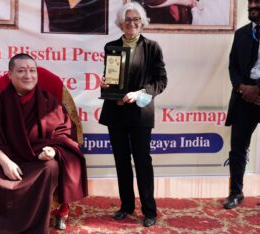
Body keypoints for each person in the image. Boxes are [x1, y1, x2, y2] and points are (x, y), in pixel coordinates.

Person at [0, 53, 88, 233]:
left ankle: (31, 227)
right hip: (3, 158)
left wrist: (52, 150)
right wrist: (5, 163)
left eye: (32, 70)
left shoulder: (49, 102)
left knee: (50, 167)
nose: (28, 75)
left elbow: (64, 134)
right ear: (10, 75)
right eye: (21, 71)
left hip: (36, 160)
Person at [99, 2, 167, 227]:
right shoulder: (111, 47)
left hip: (140, 114)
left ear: (143, 21)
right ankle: (126, 206)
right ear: (120, 23)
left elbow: (161, 81)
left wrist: (139, 94)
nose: (132, 23)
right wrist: (106, 86)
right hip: (116, 112)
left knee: (142, 162)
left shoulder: (152, 47)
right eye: (127, 19)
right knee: (121, 161)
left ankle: (149, 210)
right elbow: (111, 78)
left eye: (136, 18)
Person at [224, 0, 260, 209]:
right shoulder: (241, 33)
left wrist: (258, 88)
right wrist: (242, 88)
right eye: (250, 2)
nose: (253, 6)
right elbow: (233, 65)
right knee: (238, 148)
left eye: (258, 1)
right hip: (243, 99)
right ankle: (235, 193)